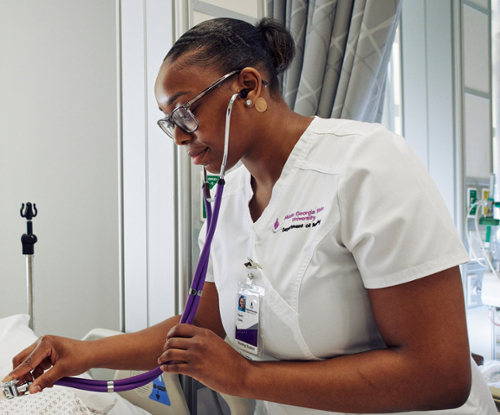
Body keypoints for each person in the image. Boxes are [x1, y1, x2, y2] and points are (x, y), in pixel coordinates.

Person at [3, 17, 497, 415]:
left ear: (247, 86)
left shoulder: (367, 163)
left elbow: (440, 374)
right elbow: (206, 325)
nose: (178, 136)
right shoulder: (228, 194)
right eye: (168, 121)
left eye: (185, 112)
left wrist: (246, 379)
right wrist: (85, 353)